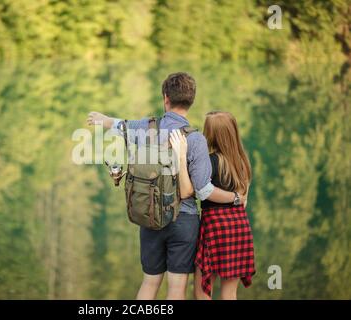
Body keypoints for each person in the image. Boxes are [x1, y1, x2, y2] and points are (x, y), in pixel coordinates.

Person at [86, 72, 245, 300]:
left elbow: (120, 125)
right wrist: (236, 198)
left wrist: (103, 119)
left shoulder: (145, 128)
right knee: (177, 289)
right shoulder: (195, 139)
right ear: (191, 101)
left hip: (149, 217)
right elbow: (203, 190)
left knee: (149, 283)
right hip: (184, 220)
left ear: (165, 98)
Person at [169, 111, 256, 300]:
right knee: (230, 293)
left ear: (209, 133)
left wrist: (181, 159)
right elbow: (244, 199)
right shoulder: (243, 162)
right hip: (240, 226)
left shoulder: (208, 161)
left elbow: (199, 191)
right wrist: (235, 199)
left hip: (215, 227)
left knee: (202, 291)